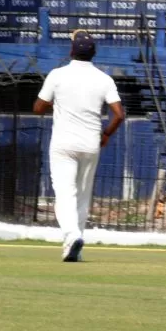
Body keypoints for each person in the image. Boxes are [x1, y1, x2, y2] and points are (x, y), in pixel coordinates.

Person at [33, 30, 125, 262]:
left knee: (65, 194)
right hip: (91, 143)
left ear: (71, 51)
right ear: (93, 53)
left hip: (64, 143)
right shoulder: (104, 79)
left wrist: (59, 104)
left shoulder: (57, 75)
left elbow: (38, 108)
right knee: (83, 196)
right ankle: (76, 248)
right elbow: (119, 114)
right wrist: (106, 135)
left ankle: (72, 235)